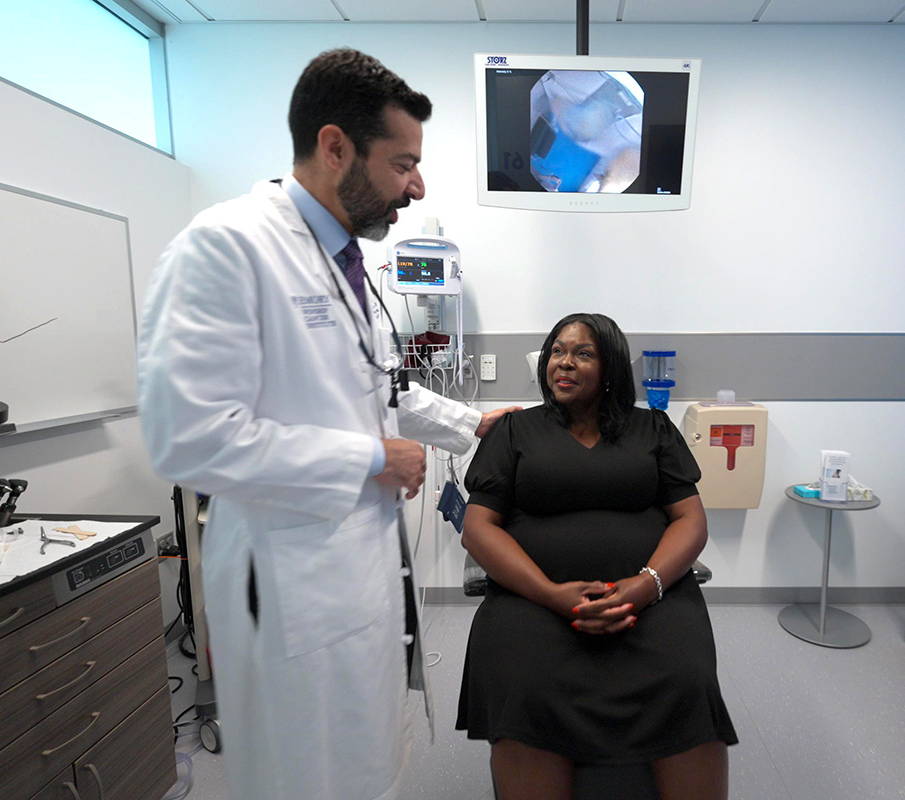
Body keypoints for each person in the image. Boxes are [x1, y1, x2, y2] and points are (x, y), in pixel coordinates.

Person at [136, 48, 516, 800]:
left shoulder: (347, 263)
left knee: (363, 768)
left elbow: (383, 388)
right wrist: (366, 459)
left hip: (356, 570)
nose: (418, 184)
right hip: (287, 586)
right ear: (334, 145)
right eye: (402, 162)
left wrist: (473, 423)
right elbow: (187, 434)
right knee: (300, 779)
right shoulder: (229, 247)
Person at [456, 313, 737, 800]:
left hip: (650, 599)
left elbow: (691, 520)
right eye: (556, 352)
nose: (564, 363)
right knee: (525, 683)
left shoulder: (652, 428)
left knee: (685, 678)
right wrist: (551, 595)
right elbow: (478, 528)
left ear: (610, 369)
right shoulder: (514, 431)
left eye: (583, 353)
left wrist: (646, 585)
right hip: (532, 602)